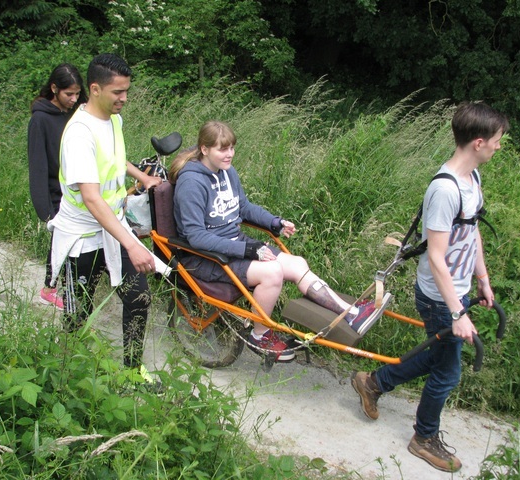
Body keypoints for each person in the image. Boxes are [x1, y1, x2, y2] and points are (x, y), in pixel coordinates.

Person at [351, 101, 509, 472]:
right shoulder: (445, 190)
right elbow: (436, 258)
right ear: (479, 143)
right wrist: (456, 311)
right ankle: (423, 438)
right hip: (440, 296)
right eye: (498, 140)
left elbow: (471, 236)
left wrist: (482, 280)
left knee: (438, 356)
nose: (500, 147)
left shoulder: (473, 181)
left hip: (458, 288)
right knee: (448, 371)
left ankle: (373, 383)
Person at [171, 121, 388, 362]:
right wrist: (249, 249)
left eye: (232, 147)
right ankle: (260, 334)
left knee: (297, 264)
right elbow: (196, 237)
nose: (230, 154)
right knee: (272, 273)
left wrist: (275, 222)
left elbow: (243, 207)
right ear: (204, 149)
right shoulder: (191, 183)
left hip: (234, 246)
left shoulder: (227, 172)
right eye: (223, 149)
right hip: (204, 257)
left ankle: (351, 314)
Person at [47, 53, 163, 372]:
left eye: (126, 91)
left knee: (138, 298)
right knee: (77, 314)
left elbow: (114, 159)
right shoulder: (79, 134)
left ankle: (131, 371)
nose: (124, 99)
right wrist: (131, 244)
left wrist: (142, 177)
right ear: (95, 89)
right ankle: (67, 372)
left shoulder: (114, 119)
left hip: (113, 227)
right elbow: (92, 198)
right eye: (118, 92)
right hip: (83, 236)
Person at [28, 63, 87, 310]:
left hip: (76, 188)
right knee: (62, 242)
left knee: (73, 243)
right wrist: (45, 210)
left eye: (76, 94)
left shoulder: (75, 114)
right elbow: (38, 166)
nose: (73, 99)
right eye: (68, 94)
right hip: (55, 193)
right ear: (54, 88)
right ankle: (52, 290)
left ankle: (58, 287)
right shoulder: (40, 119)